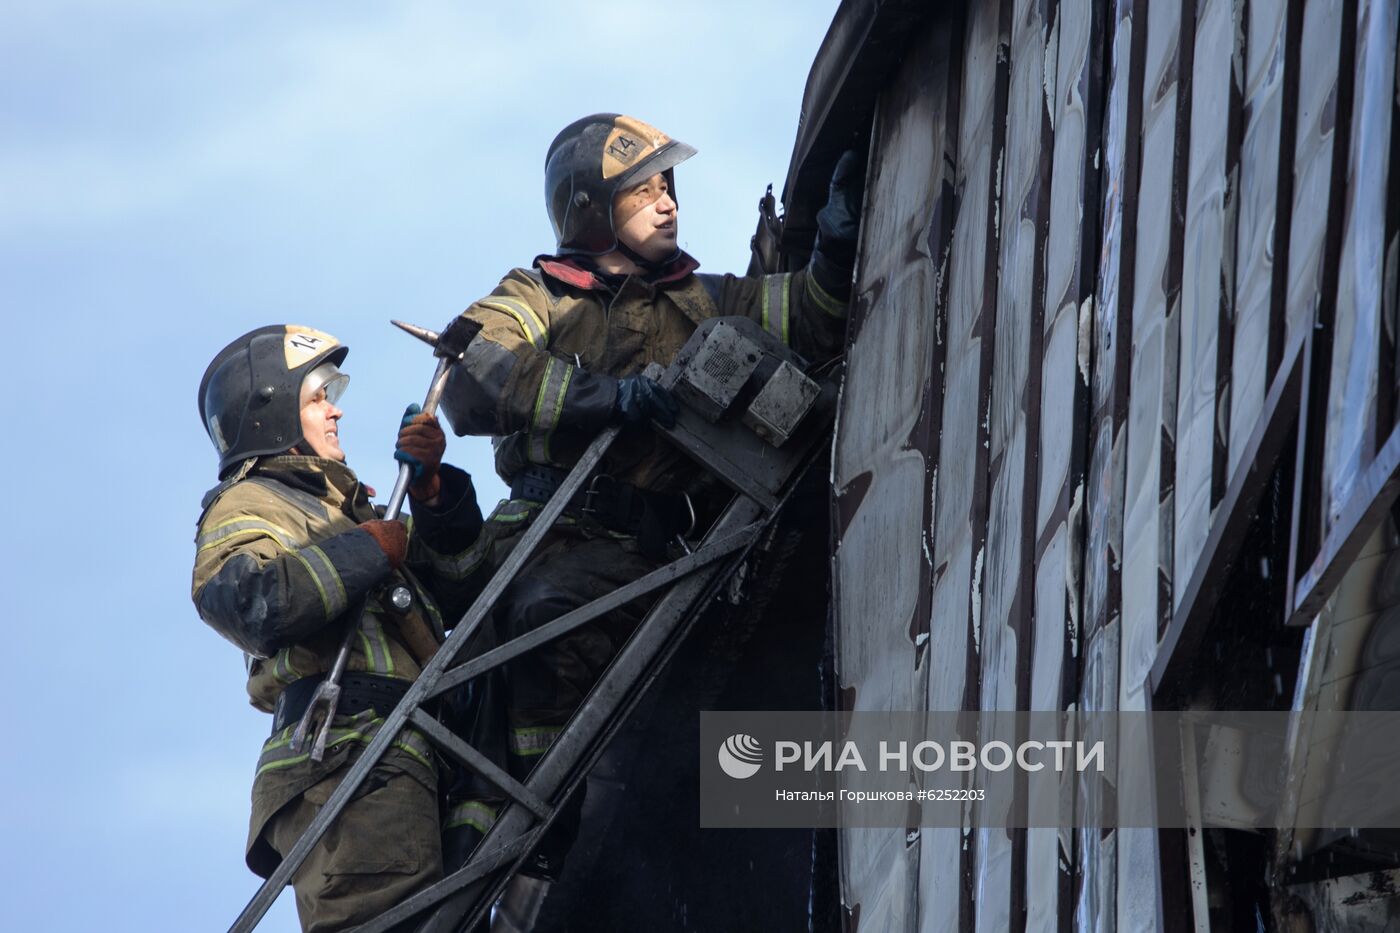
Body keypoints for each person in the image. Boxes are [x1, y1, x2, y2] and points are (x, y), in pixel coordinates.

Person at [432, 114, 863, 891]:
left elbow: (811, 315)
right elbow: (472, 378)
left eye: (669, 187)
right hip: (553, 539)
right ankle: (524, 842)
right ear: (593, 211)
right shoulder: (540, 295)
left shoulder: (705, 299)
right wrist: (606, 398)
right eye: (643, 191)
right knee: (541, 625)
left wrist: (834, 247)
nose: (667, 204)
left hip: (656, 559)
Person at [191, 324, 486, 933]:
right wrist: (363, 553)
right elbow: (249, 603)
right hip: (344, 759)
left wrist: (432, 497)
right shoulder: (249, 503)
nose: (337, 408)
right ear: (273, 413)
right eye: (320, 395)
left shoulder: (353, 510)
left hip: (404, 751)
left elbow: (460, 588)